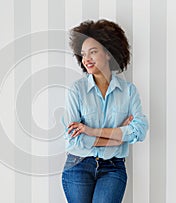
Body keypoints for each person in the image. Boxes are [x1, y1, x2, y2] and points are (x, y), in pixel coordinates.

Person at [61, 19, 149, 203]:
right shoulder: (76, 90)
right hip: (78, 165)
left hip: (113, 167)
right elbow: (75, 138)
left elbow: (139, 131)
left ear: (108, 53)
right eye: (83, 54)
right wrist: (118, 137)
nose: (86, 59)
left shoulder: (129, 91)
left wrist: (90, 131)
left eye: (93, 52)